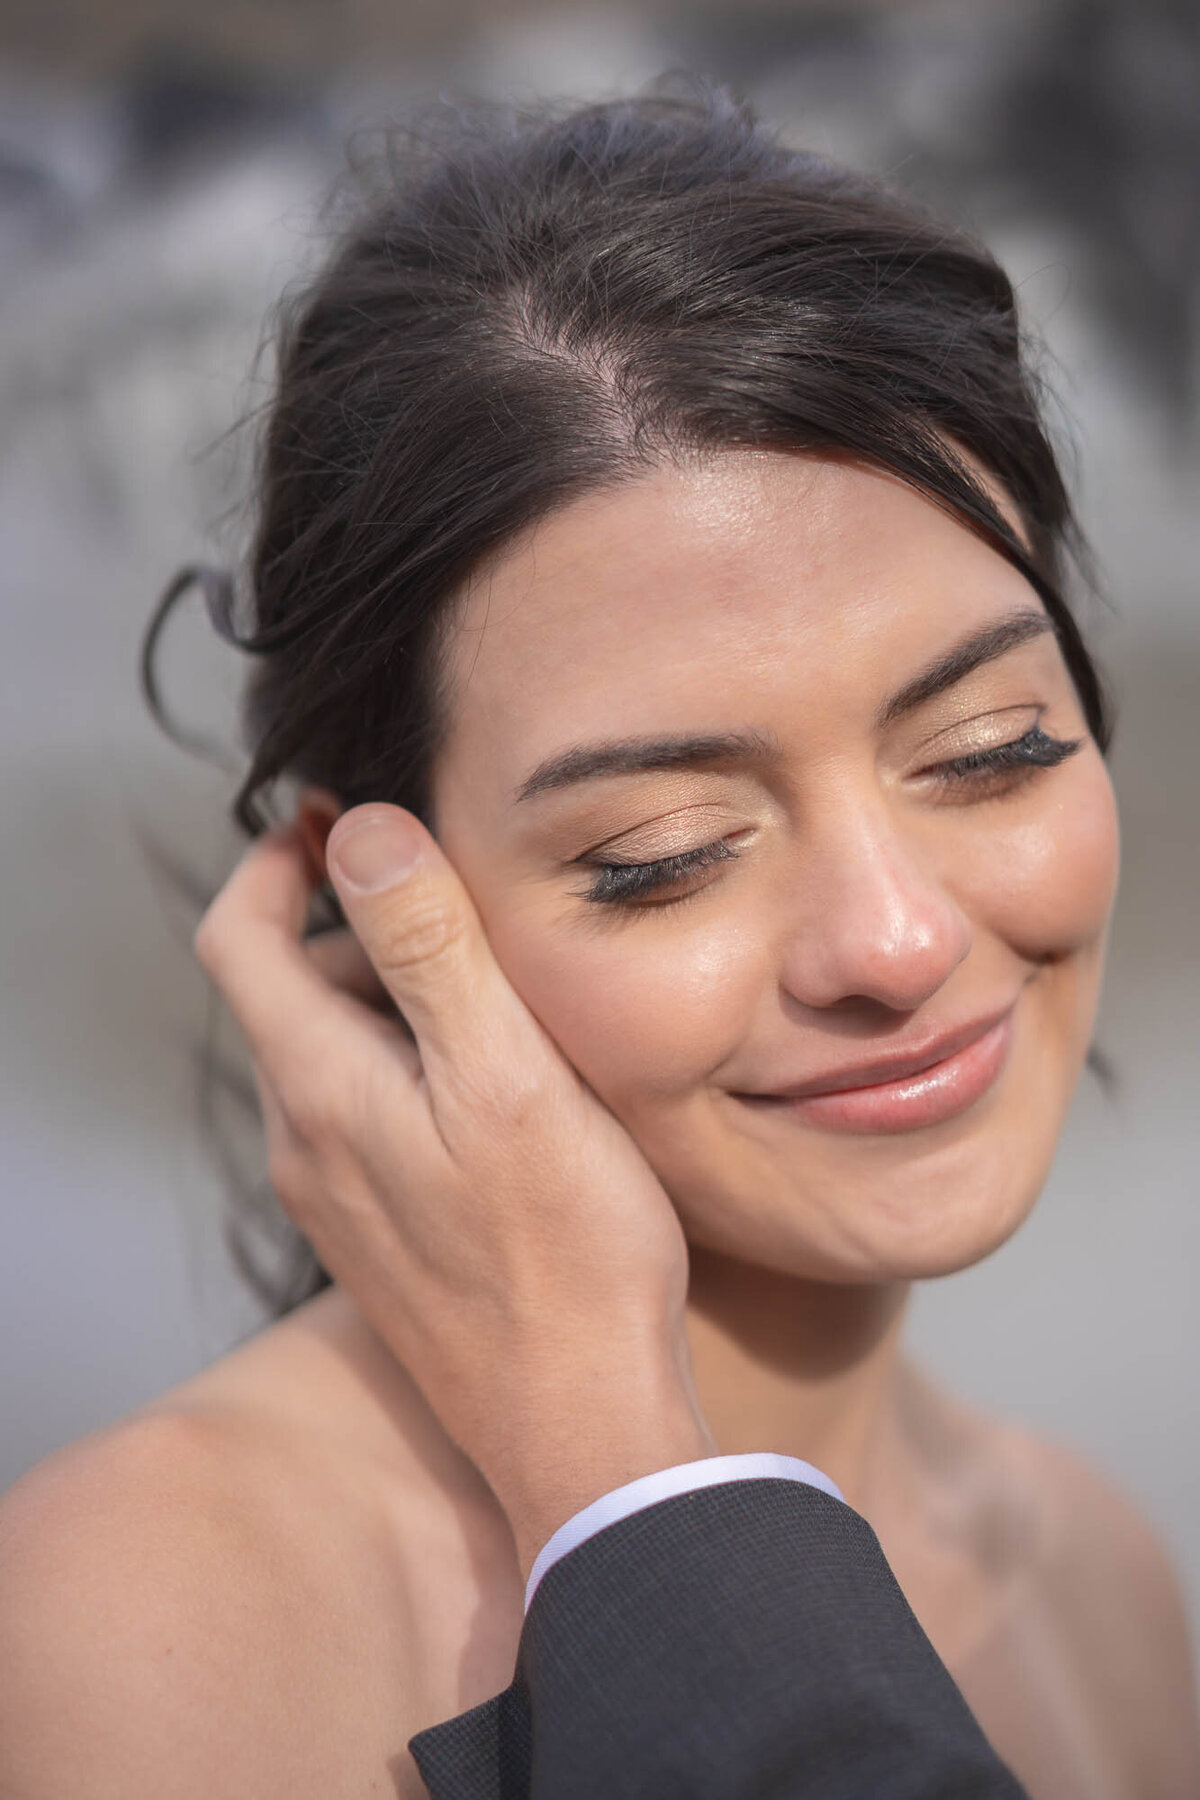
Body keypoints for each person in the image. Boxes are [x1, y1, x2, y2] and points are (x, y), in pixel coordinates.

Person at [0, 83, 1197, 1800]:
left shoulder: (1098, 1574)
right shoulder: (149, 1620)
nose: (896, 936)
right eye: (667, 856)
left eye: (989, 750)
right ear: (380, 903)